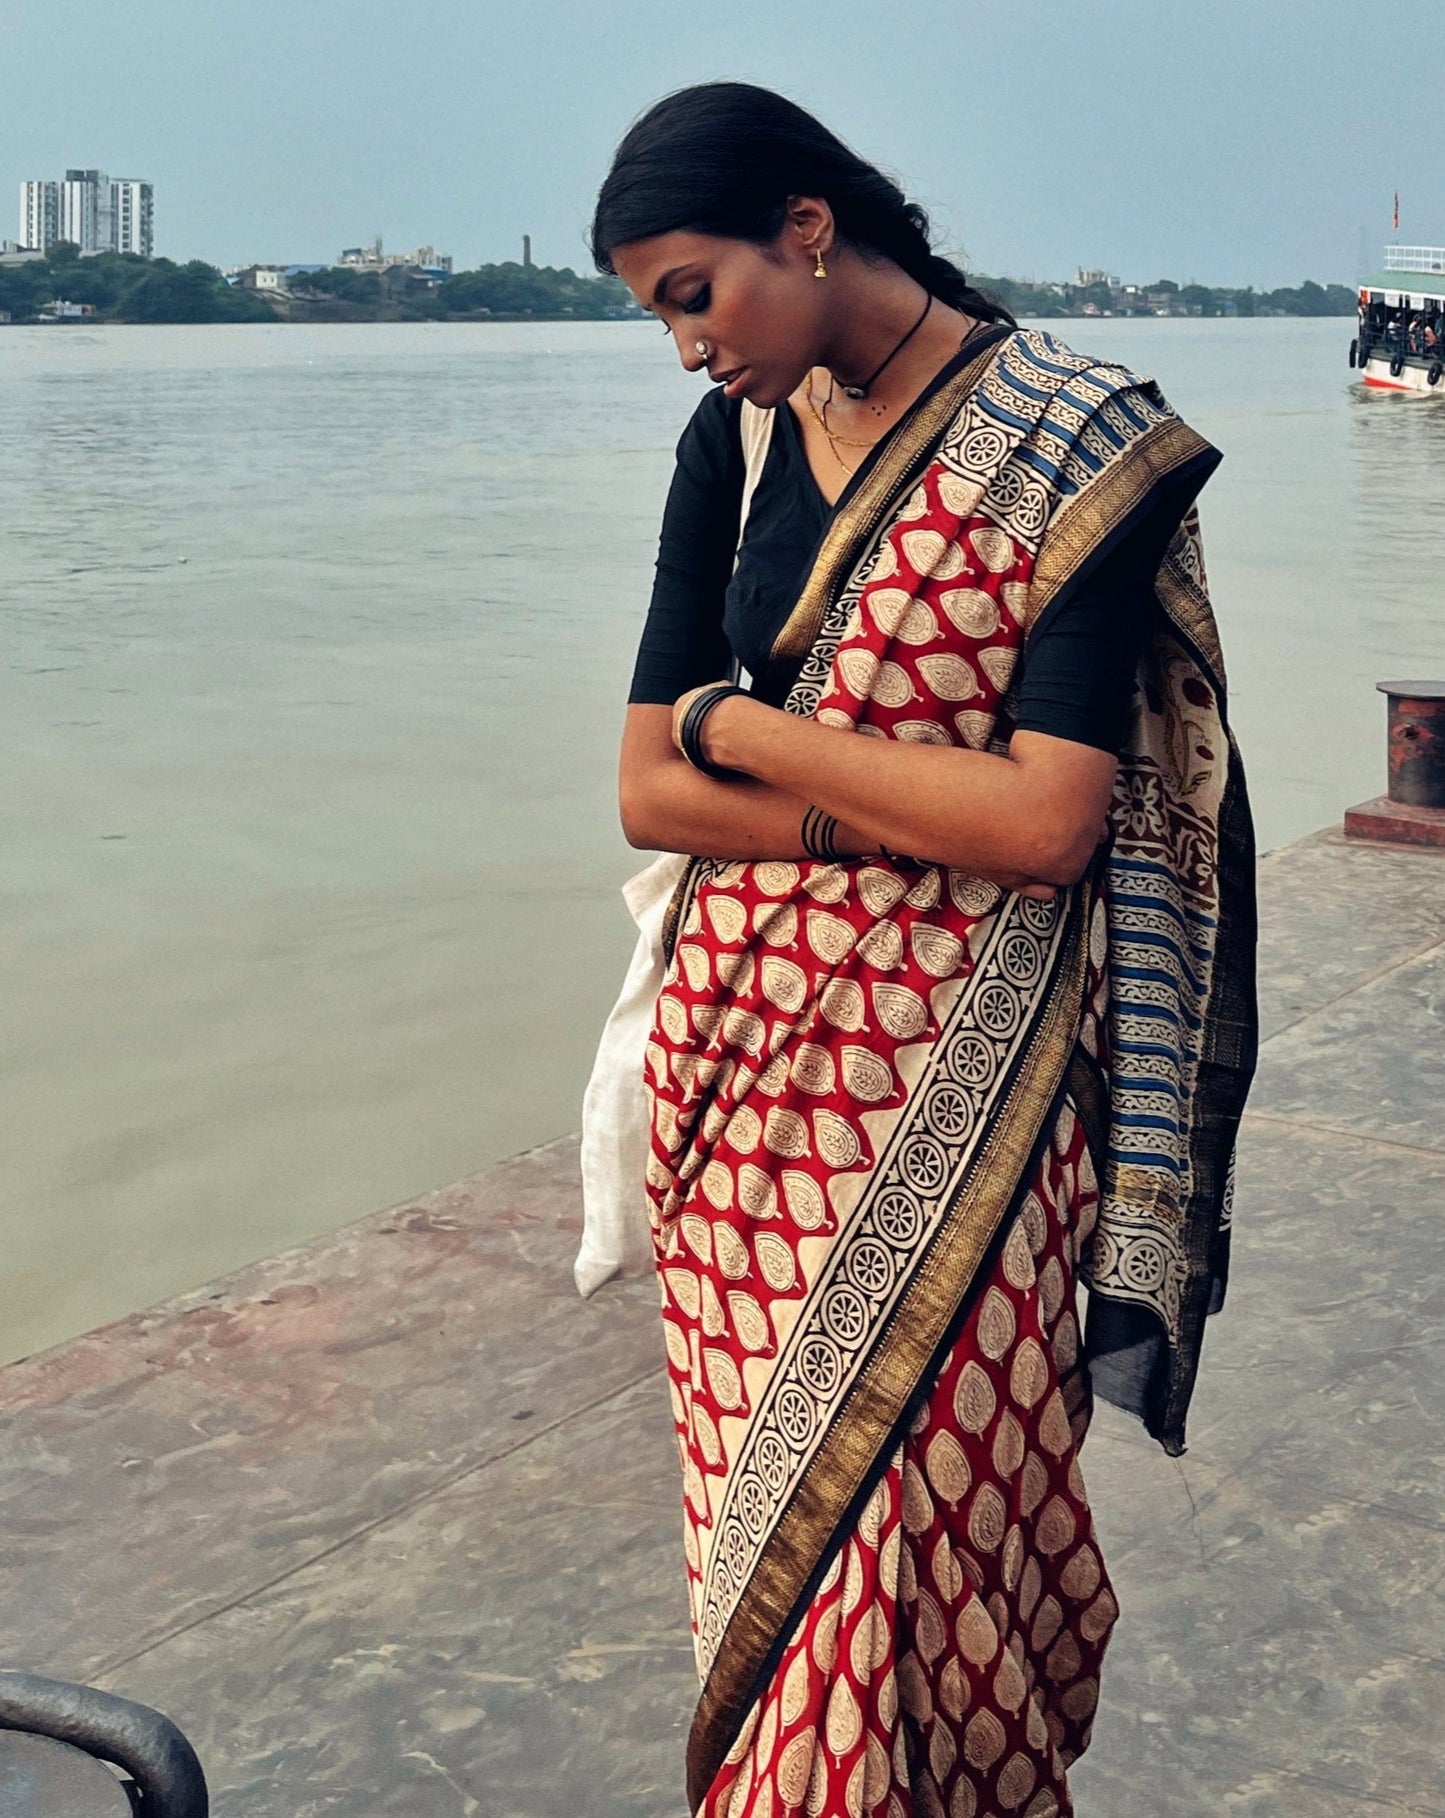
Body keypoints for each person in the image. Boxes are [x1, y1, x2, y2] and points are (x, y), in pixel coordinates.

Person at [591, 82, 1256, 1818]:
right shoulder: (731, 446)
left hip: (972, 1089)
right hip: (736, 1101)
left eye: (690, 293)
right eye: (652, 309)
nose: (681, 350)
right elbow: (646, 789)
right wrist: (855, 797)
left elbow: (1045, 825)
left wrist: (757, 735)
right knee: (782, 1577)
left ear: (806, 230)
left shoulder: (1068, 440)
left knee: (915, 1563)